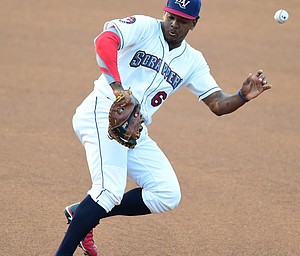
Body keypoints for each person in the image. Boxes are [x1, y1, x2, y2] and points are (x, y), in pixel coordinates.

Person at [55, 0, 272, 255]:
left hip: (133, 128)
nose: (174, 24)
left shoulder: (193, 61)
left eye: (182, 21)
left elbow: (217, 103)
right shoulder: (143, 27)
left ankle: (83, 211)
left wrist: (242, 96)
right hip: (103, 110)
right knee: (109, 191)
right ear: (164, 13)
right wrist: (118, 89)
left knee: (166, 192)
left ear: (194, 23)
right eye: (171, 17)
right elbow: (104, 41)